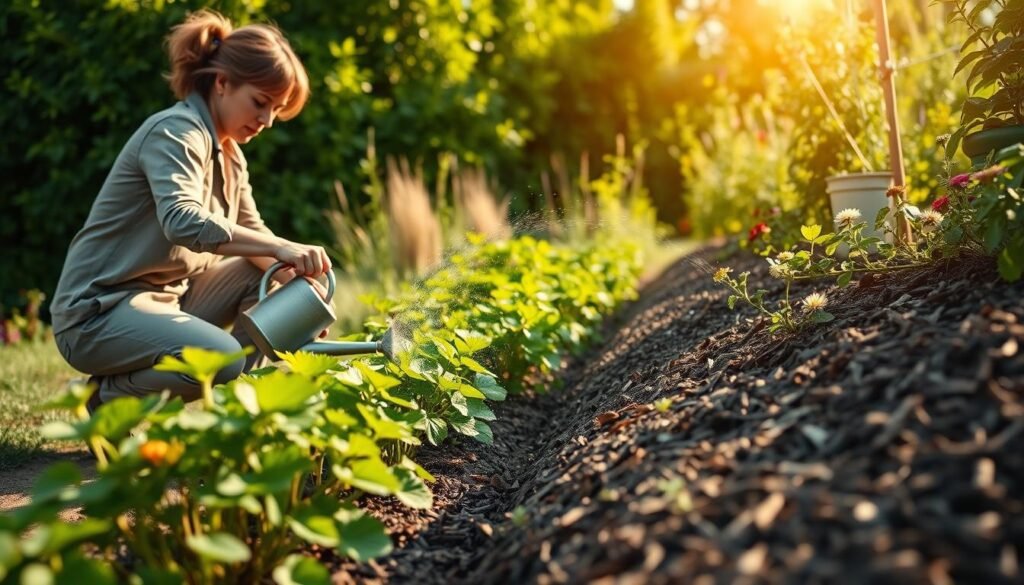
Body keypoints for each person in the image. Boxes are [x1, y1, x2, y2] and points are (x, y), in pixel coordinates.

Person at [50, 9, 331, 409]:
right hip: (98, 313)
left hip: (169, 300)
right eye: (261, 102)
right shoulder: (175, 133)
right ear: (222, 83)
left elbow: (258, 240)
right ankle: (105, 401)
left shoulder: (231, 156)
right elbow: (183, 221)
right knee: (219, 358)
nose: (267, 120)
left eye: (276, 109)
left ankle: (235, 405)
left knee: (265, 278)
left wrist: (304, 294)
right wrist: (285, 247)